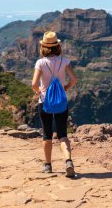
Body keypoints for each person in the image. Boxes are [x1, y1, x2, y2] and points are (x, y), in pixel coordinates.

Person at [31, 31, 78, 176]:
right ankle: (68, 161)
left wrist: (39, 92)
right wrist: (65, 88)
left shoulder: (40, 62)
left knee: (47, 134)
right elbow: (74, 79)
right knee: (62, 134)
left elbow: (33, 84)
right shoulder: (64, 61)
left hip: (45, 102)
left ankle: (48, 165)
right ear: (57, 46)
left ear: (43, 47)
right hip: (61, 102)